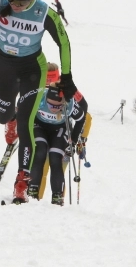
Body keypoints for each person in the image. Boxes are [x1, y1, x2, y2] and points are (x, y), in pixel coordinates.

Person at [0, 0, 78, 204]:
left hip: (32, 69)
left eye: (21, 3)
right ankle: (11, 120)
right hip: (4, 66)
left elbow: (64, 42)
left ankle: (22, 182)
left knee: (28, 122)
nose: (15, 6)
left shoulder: (44, 11)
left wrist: (66, 76)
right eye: (12, 0)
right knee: (4, 115)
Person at [37, 62, 92, 200]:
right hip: (46, 131)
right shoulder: (41, 88)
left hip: (63, 134)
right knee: (46, 168)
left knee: (54, 168)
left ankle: (52, 200)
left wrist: (79, 139)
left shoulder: (66, 87)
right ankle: (42, 201)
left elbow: (84, 113)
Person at [27, 86, 86, 206]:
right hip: (39, 126)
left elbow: (81, 119)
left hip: (59, 130)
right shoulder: (39, 97)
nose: (53, 109)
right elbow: (22, 105)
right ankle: (32, 189)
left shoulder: (70, 104)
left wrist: (73, 141)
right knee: (40, 151)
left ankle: (57, 196)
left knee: (55, 157)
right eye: (51, 105)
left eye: (57, 106)